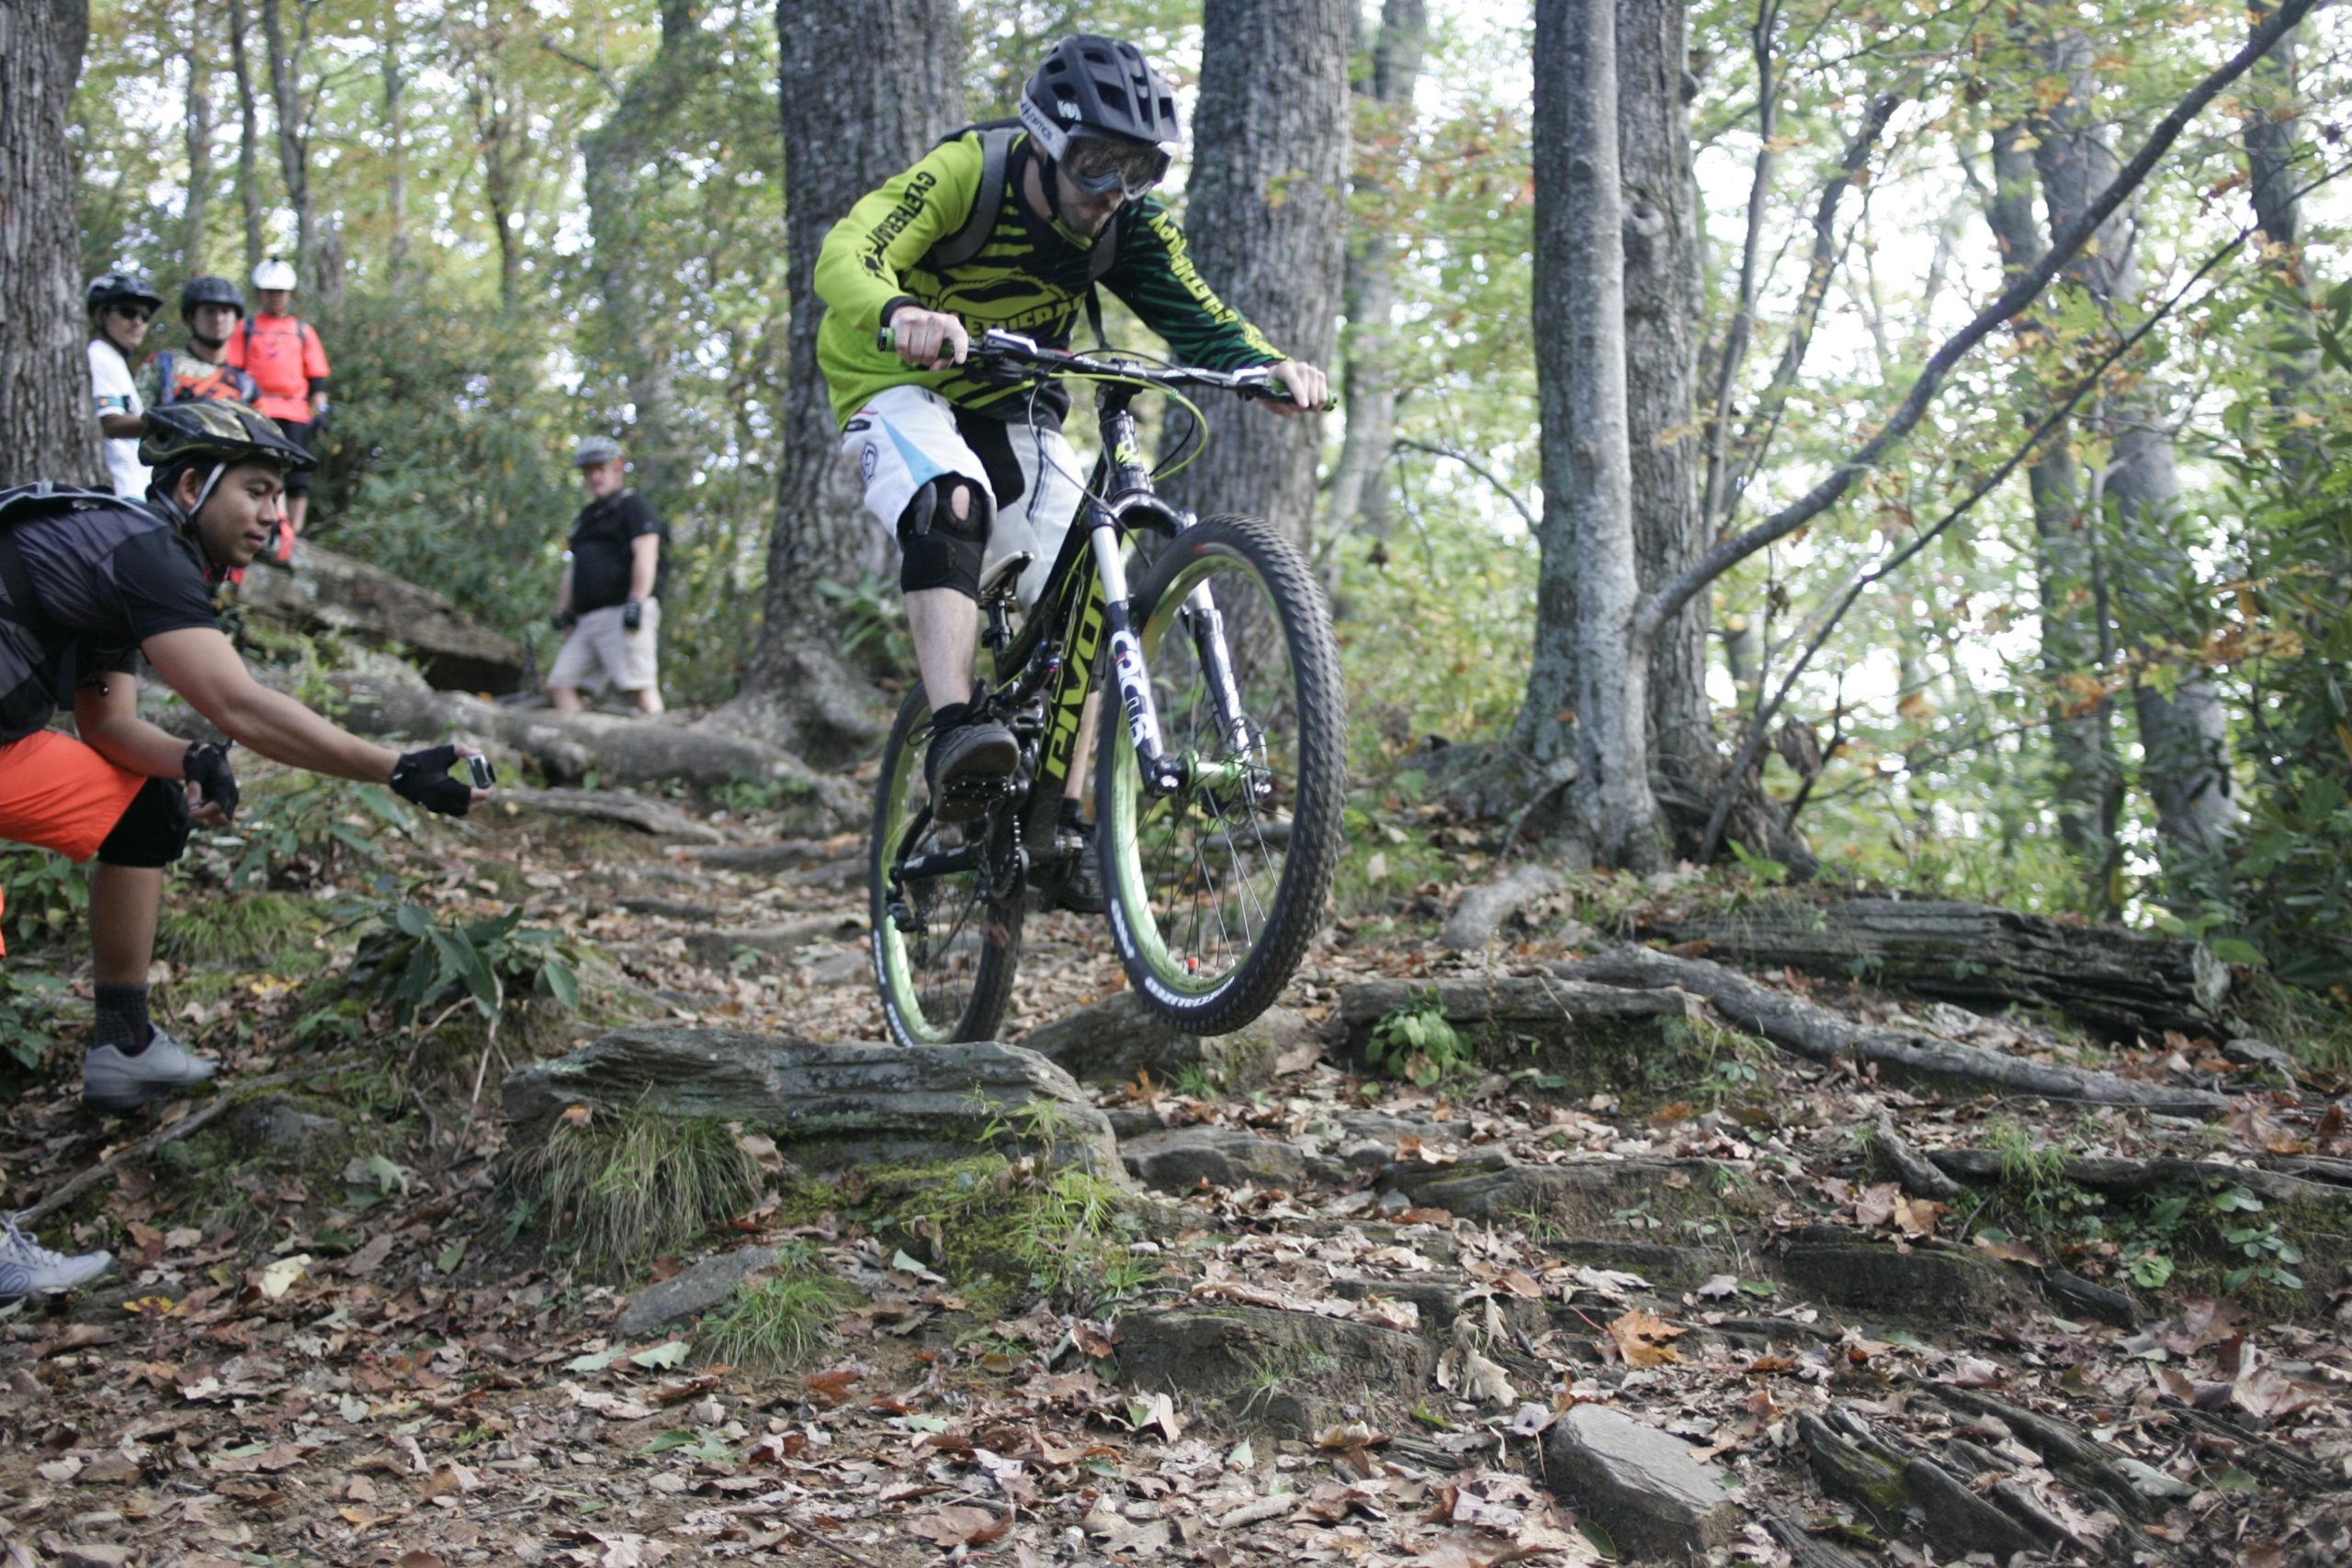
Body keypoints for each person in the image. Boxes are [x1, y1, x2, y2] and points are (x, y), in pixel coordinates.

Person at [813, 33, 1329, 910]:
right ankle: (953, 734)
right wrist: (902, 309)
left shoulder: (1123, 225)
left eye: (1135, 171)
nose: (1110, 192)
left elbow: (1199, 315)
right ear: (1046, 140)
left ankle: (1069, 816)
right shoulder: (967, 175)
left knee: (1088, 590)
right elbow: (847, 253)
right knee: (952, 499)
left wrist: (1266, 366)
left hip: (1018, 398)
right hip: (897, 381)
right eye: (1094, 163)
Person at [0, 400, 488, 1120]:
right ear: (194, 488)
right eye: (256, 491)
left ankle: (124, 1046)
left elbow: (108, 727)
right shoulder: (146, 550)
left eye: (279, 498)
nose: (273, 517)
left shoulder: (122, 551)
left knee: (146, 806)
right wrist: (394, 766)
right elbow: (242, 705)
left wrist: (190, 756)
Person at [546, 436, 665, 716]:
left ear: (617, 467)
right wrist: (565, 611)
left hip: (622, 610)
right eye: (588, 471)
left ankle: (660, 743)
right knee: (562, 683)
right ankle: (579, 750)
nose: (594, 476)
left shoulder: (633, 505)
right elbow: (574, 567)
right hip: (587, 619)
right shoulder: (586, 518)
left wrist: (637, 600)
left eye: (600, 468)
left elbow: (647, 552)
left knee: (641, 686)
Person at [221, 260, 330, 561]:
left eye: (281, 292)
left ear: (290, 294)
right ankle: (267, 528)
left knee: (298, 478)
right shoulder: (247, 328)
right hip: (258, 409)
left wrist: (322, 411)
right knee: (264, 470)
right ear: (260, 294)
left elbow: (317, 379)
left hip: (296, 411)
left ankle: (294, 535)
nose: (276, 297)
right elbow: (232, 370)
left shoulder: (302, 331)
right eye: (270, 292)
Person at [85, 271, 164, 499]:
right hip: (120, 490)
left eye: (145, 316)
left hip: (134, 489)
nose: (137, 322)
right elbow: (110, 423)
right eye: (127, 312)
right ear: (100, 315)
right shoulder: (98, 356)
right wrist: (170, 422)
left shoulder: (114, 360)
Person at [137, 276, 263, 411]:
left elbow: (264, 429)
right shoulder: (162, 365)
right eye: (209, 311)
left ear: (236, 320)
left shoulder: (246, 385)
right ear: (191, 318)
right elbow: (131, 418)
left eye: (225, 312)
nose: (218, 319)